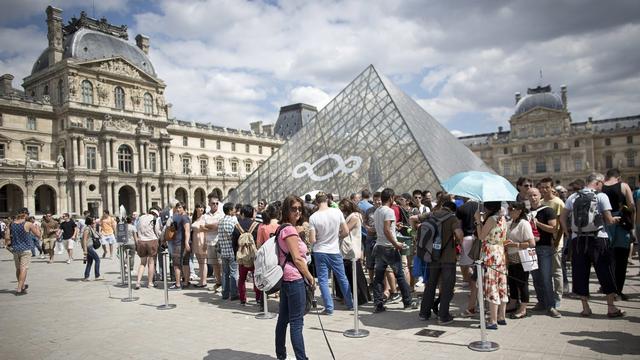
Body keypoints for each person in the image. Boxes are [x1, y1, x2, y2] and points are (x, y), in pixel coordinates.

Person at [560, 172, 624, 317]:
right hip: (598, 238)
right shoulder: (601, 196)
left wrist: (568, 234)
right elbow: (608, 219)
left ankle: (585, 307)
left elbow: (562, 218)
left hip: (578, 239)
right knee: (605, 270)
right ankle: (611, 307)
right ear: (598, 182)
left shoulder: (573, 196)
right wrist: (616, 219)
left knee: (580, 272)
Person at [275, 195, 315, 360]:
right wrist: (310, 277)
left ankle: (281, 354)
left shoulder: (282, 228)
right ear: (286, 210)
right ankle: (301, 358)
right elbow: (298, 259)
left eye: (300, 208)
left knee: (283, 319)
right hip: (295, 278)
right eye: (294, 208)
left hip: (286, 277)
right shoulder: (289, 230)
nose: (298, 211)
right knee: (296, 323)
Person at [419, 201, 463, 325]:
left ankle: (424, 313)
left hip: (432, 256)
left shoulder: (432, 214)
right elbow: (459, 234)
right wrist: (460, 242)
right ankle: (443, 316)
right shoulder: (452, 218)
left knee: (430, 284)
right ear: (453, 210)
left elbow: (414, 219)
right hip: (448, 258)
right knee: (448, 286)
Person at [372, 188, 416, 313]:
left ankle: (378, 304)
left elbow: (384, 228)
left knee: (378, 277)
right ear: (391, 198)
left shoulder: (377, 211)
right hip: (389, 248)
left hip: (379, 246)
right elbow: (386, 229)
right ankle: (407, 301)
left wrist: (394, 227)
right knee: (400, 275)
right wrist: (396, 243)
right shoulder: (389, 211)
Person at [309, 192, 353, 315]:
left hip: (320, 250)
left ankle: (329, 308)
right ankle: (350, 303)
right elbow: (346, 230)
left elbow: (312, 239)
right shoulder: (337, 212)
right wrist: (337, 237)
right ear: (327, 200)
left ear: (317, 202)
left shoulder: (313, 217)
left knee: (323, 280)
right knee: (342, 277)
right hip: (334, 250)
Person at [601, 168, 635, 301]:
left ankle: (607, 288)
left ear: (606, 177)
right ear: (619, 177)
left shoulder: (601, 187)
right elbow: (632, 206)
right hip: (621, 224)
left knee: (608, 260)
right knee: (621, 260)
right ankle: (618, 291)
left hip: (605, 224)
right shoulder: (624, 186)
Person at [474, 201, 509, 329]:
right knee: (502, 284)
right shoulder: (503, 217)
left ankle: (493, 320)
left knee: (491, 285)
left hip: (490, 254)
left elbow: (481, 236)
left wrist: (478, 221)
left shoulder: (492, 219)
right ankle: (501, 316)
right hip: (499, 252)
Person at [528, 187, 561, 318]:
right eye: (530, 196)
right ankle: (541, 302)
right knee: (536, 278)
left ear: (540, 195)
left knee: (546, 278)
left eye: (535, 195)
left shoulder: (547, 210)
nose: (533, 198)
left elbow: (553, 229)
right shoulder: (526, 212)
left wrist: (538, 224)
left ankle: (551, 306)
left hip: (545, 248)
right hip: (531, 248)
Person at [504, 202, 535, 319]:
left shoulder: (524, 224)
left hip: (522, 258)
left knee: (522, 283)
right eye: (509, 208)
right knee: (511, 282)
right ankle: (512, 303)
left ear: (520, 210)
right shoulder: (511, 223)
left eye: (512, 209)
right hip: (511, 258)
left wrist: (515, 244)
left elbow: (532, 243)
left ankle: (523, 308)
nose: (510, 211)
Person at [336, 198, 370, 305]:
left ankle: (361, 297)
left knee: (355, 275)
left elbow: (345, 231)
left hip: (351, 249)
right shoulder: (355, 216)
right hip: (351, 249)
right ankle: (358, 296)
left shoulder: (354, 217)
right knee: (353, 274)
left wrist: (337, 234)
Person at [539, 177, 566, 306]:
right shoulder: (540, 202)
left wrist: (557, 241)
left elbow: (562, 224)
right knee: (545, 272)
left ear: (552, 188)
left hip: (555, 241)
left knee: (556, 270)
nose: (544, 189)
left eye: (546, 187)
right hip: (544, 242)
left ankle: (558, 297)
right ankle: (546, 297)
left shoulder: (558, 203)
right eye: (542, 187)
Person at [5, 208, 41, 295]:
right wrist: (37, 228)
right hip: (26, 249)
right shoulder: (28, 224)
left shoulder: (12, 224)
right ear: (26, 214)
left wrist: (9, 245)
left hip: (15, 249)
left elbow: (6, 237)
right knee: (23, 269)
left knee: (18, 269)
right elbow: (38, 235)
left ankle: (22, 286)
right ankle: (19, 289)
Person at [231, 204, 261, 305]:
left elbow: (234, 243)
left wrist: (237, 254)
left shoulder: (237, 226)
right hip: (254, 257)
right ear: (252, 213)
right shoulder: (256, 225)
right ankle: (258, 298)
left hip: (242, 257)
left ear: (242, 213)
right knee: (256, 278)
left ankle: (243, 299)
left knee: (242, 279)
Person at [218, 202, 239, 300]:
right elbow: (233, 236)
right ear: (230, 211)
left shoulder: (221, 221)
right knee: (234, 273)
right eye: (234, 209)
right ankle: (234, 294)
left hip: (223, 251)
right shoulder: (232, 221)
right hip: (231, 251)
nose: (235, 210)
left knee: (225, 273)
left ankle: (225, 293)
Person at [135, 208, 161, 288]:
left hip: (142, 241)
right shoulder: (154, 219)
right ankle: (150, 283)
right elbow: (157, 231)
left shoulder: (141, 218)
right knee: (151, 263)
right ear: (155, 214)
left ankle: (138, 282)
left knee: (142, 263)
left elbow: (137, 229)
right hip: (151, 241)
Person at [169, 202, 191, 290]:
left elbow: (187, 230)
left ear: (184, 208)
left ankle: (178, 284)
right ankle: (186, 282)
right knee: (185, 263)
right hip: (180, 242)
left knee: (177, 264)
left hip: (179, 243)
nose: (178, 209)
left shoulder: (184, 218)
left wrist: (186, 242)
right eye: (177, 207)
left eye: (180, 207)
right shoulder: (180, 217)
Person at [204, 194, 224, 291]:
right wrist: (211, 226)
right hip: (209, 242)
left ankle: (224, 284)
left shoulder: (221, 214)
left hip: (219, 242)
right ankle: (218, 282)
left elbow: (218, 226)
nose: (215, 205)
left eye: (217, 203)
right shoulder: (206, 215)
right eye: (213, 203)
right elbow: (201, 226)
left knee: (221, 264)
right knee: (214, 264)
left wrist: (208, 226)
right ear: (209, 204)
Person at [363, 192, 381, 282]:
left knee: (380, 262)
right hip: (370, 237)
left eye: (379, 200)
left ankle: (379, 282)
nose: (377, 202)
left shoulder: (384, 210)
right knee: (370, 261)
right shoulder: (369, 210)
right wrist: (368, 228)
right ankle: (371, 281)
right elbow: (364, 221)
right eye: (375, 200)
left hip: (381, 238)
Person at [81, 217, 103, 281]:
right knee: (97, 260)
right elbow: (84, 240)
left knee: (90, 262)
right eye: (93, 222)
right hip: (88, 247)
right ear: (90, 222)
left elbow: (98, 236)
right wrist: (85, 250)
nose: (95, 223)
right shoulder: (87, 229)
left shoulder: (91, 228)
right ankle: (97, 276)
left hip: (90, 246)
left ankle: (86, 276)